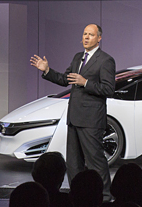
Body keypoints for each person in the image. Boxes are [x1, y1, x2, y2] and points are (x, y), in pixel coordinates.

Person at [30, 24, 116, 200]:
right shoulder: (78, 57)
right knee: (73, 163)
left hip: (92, 120)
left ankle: (105, 197)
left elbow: (108, 89)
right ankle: (78, 196)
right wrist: (46, 70)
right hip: (75, 118)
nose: (86, 37)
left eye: (91, 35)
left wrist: (85, 82)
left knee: (96, 162)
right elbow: (64, 79)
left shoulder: (106, 60)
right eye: (84, 34)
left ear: (99, 38)